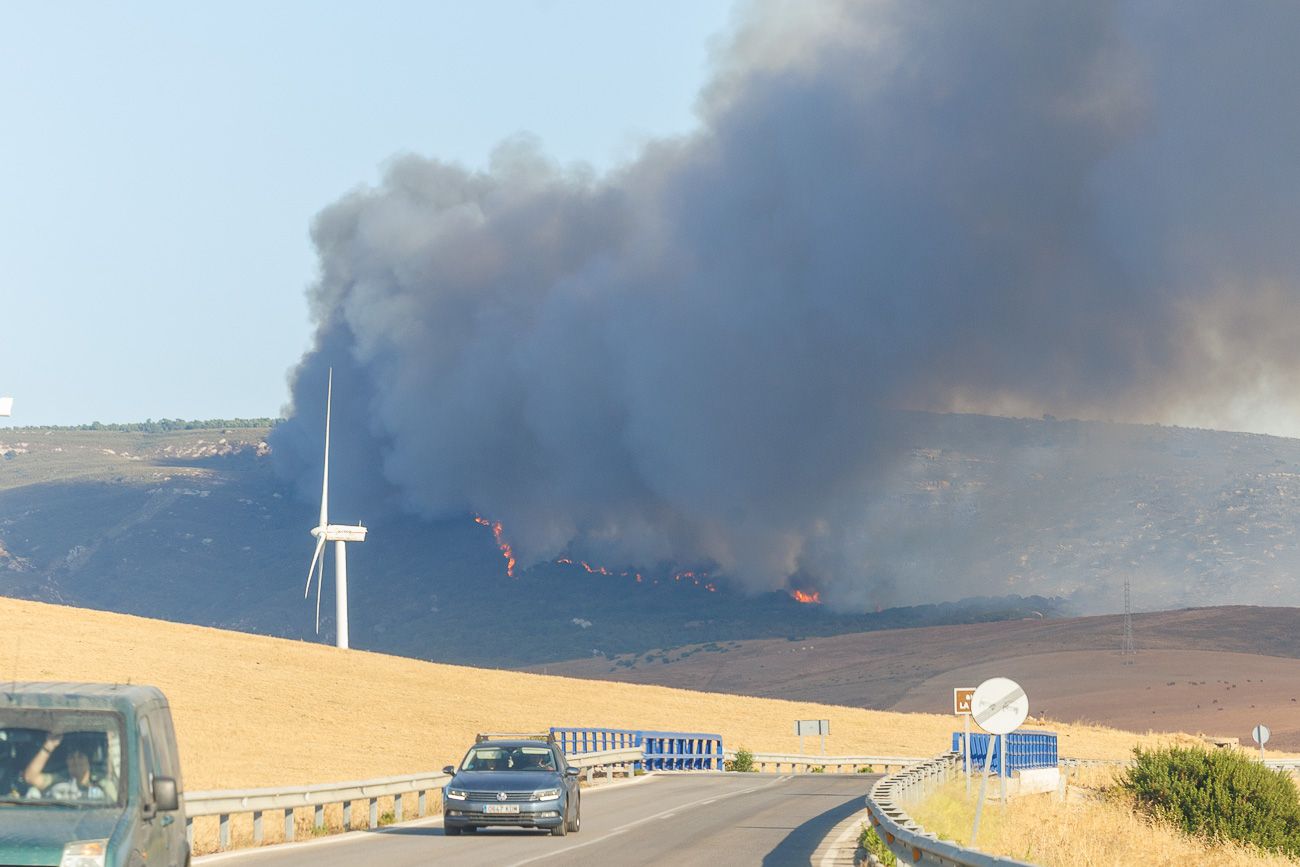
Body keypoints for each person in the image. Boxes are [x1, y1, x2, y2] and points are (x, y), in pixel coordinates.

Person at [23, 733, 112, 801]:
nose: (76, 762)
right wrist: (48, 746)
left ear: (89, 761)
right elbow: (30, 777)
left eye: (80, 757)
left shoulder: (104, 785)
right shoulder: (57, 780)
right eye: (71, 758)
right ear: (67, 762)